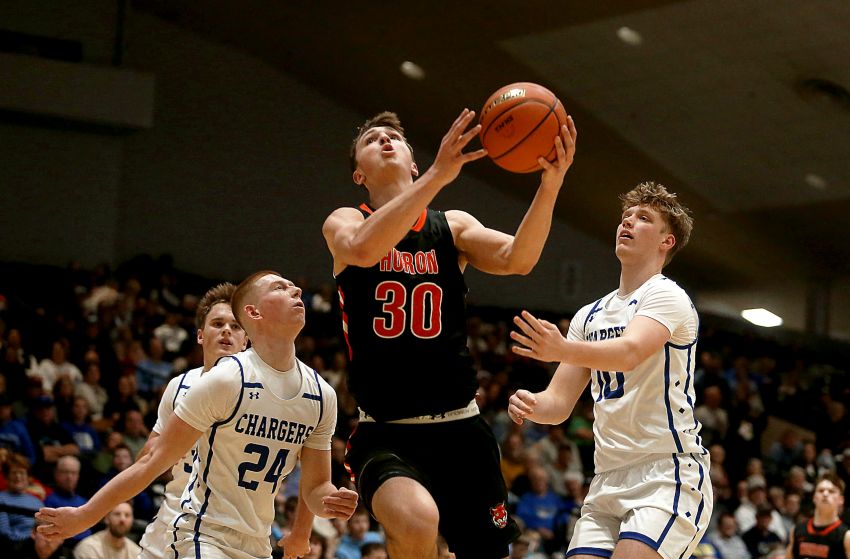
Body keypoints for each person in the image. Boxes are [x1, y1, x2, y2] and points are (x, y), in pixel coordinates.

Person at [323, 107, 576, 559]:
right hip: (387, 432)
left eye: (394, 138)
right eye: (371, 139)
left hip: (462, 429)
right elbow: (363, 250)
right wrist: (438, 176)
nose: (385, 141)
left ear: (413, 163)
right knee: (416, 520)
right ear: (359, 174)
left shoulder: (452, 225)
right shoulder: (345, 219)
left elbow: (519, 259)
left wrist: (550, 186)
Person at [36, 272, 358, 559]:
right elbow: (149, 461)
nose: (298, 290)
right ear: (253, 314)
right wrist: (86, 515)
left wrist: (327, 506)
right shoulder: (215, 381)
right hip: (195, 530)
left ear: (245, 332)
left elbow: (316, 489)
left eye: (233, 326)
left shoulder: (320, 394)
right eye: (281, 287)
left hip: (255, 540)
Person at [508, 182, 712, 559]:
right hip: (606, 479)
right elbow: (559, 404)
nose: (628, 222)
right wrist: (532, 403)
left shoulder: (666, 294)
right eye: (626, 217)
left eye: (643, 218)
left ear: (666, 241)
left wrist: (562, 348)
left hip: (666, 474)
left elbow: (630, 352)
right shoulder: (589, 315)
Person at [135, 282, 247, 559]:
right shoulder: (179, 385)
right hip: (168, 525)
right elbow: (148, 457)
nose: (226, 331)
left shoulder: (260, 393)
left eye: (235, 326)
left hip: (223, 535)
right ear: (200, 335)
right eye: (218, 323)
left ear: (247, 340)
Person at [786, 473, 849, 559]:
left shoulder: (846, 536)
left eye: (831, 491)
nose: (825, 494)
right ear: (814, 497)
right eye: (821, 490)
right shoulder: (796, 531)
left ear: (841, 500)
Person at [44, 456, 91, 543]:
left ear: (78, 476)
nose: (69, 477)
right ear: (56, 474)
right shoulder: (49, 500)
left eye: (73, 473)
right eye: (65, 472)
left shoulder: (85, 502)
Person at [71, 502, 141, 559]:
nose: (122, 519)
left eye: (127, 515)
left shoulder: (136, 552)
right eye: (117, 514)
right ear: (106, 518)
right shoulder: (89, 547)